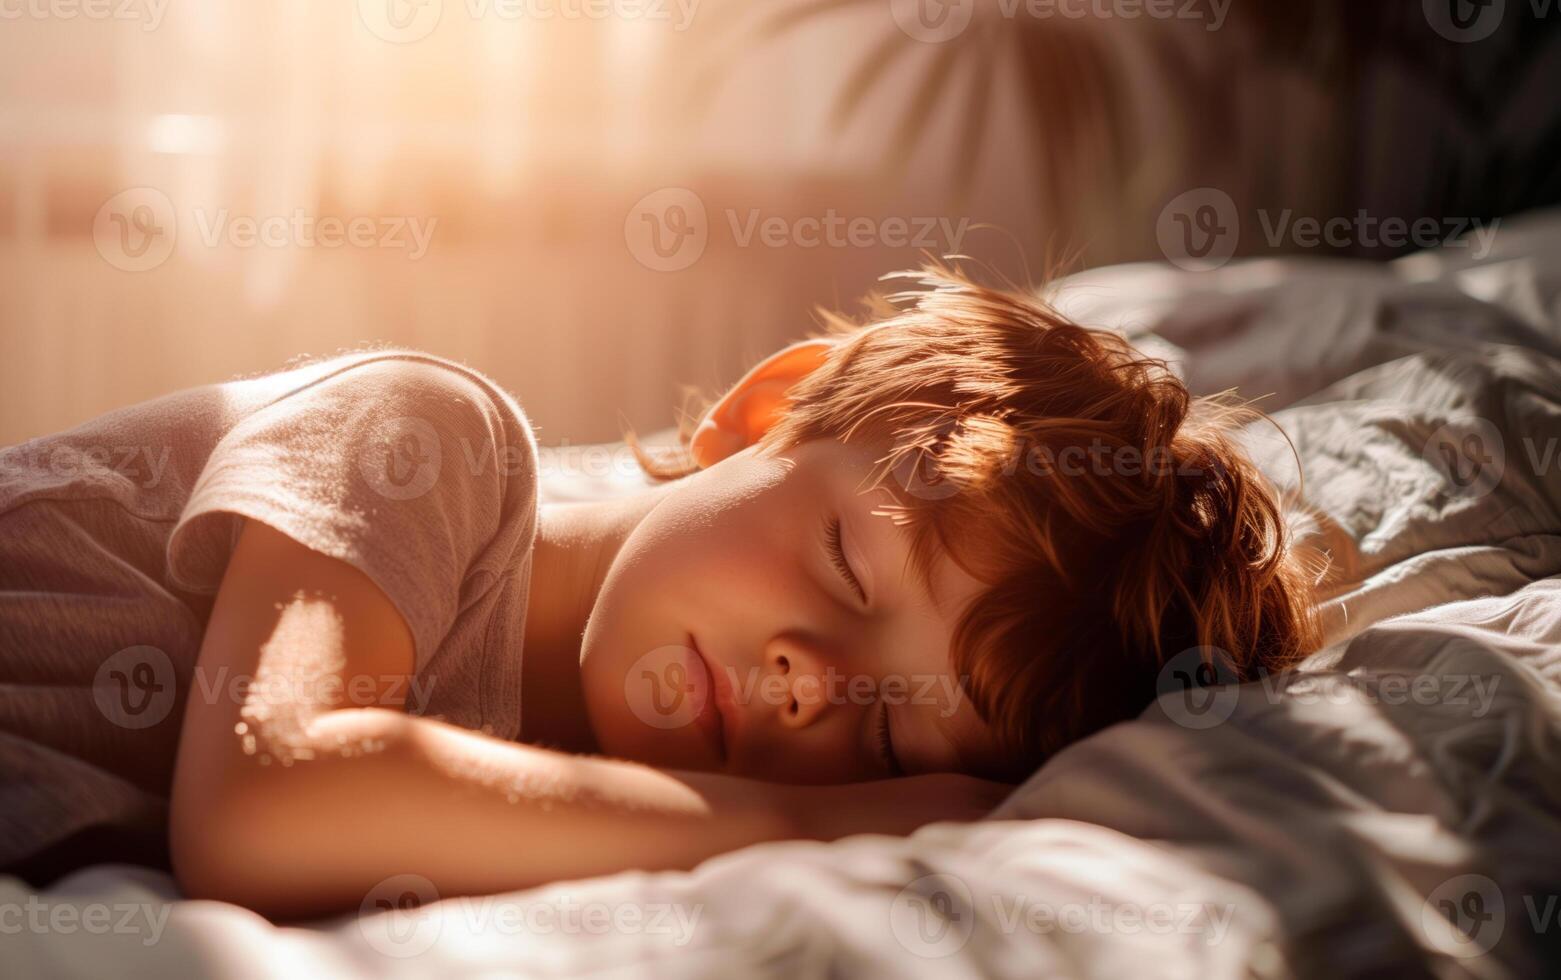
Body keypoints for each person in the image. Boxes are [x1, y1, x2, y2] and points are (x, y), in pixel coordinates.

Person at [0, 262, 1318, 917]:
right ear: (767, 411)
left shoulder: (567, 828)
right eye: (845, 564)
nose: (809, 681)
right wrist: (812, 827)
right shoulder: (431, 440)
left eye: (883, 732)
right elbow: (269, 799)